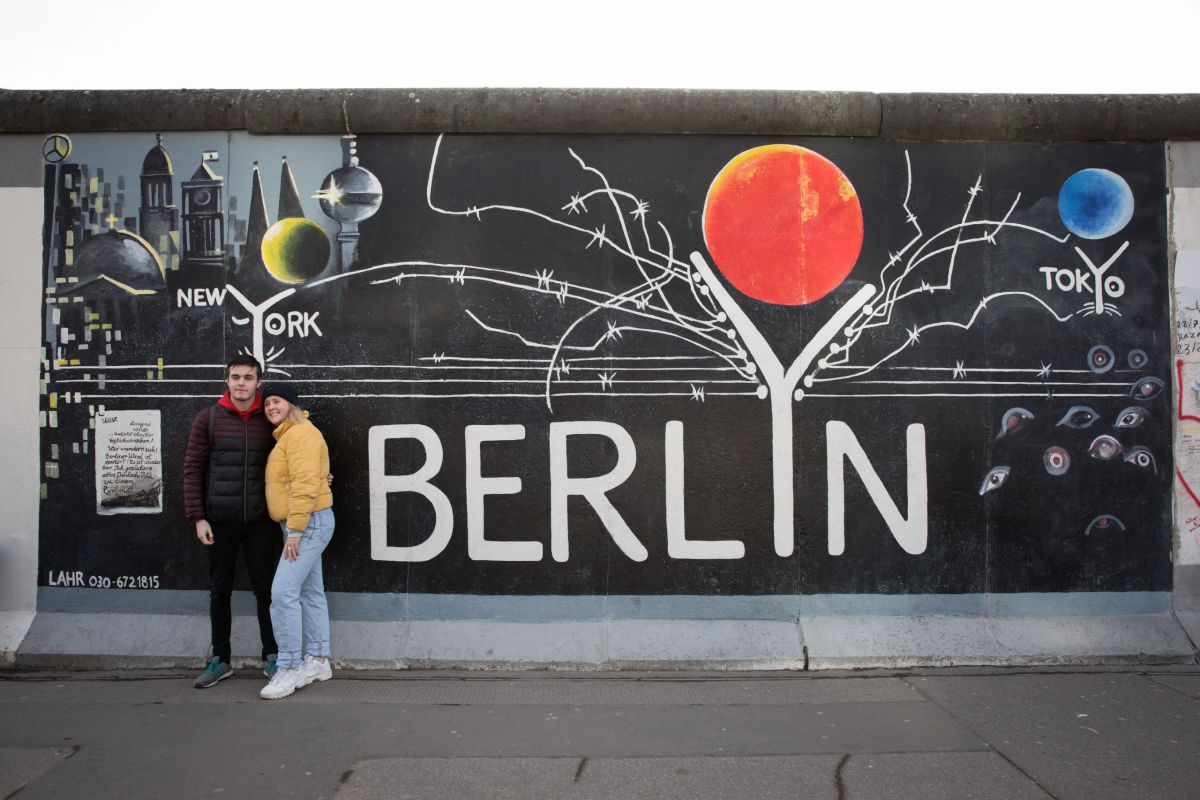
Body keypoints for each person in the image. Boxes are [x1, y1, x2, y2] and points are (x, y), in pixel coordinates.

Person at [183, 356, 279, 688]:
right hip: (219, 522)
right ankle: (220, 660)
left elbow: (295, 456)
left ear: (258, 382)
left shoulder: (270, 418)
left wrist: (320, 475)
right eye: (235, 377)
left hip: (261, 521)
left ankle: (273, 657)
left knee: (266, 591)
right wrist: (197, 517)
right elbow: (192, 469)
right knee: (220, 590)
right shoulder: (207, 419)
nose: (241, 383)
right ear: (227, 381)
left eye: (248, 378)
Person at [259, 382, 335, 700]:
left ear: (291, 404)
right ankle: (317, 660)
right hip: (306, 522)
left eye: (276, 401)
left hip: (306, 524)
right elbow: (308, 477)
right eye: (266, 404)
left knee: (282, 593)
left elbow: (304, 483)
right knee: (309, 591)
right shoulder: (291, 435)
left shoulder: (301, 434)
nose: (271, 408)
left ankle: (289, 667)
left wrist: (294, 530)